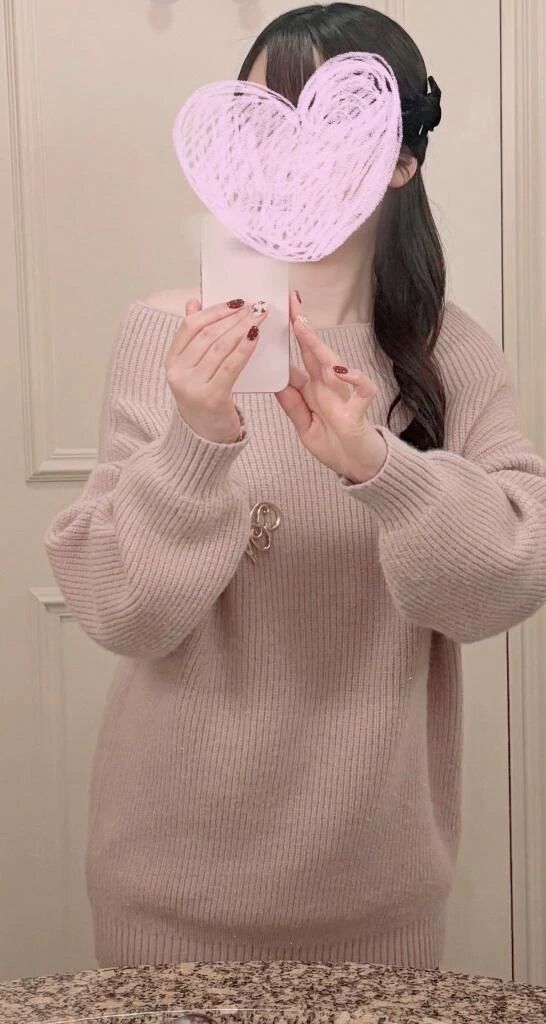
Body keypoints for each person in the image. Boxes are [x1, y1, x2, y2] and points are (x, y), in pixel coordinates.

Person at [45, 3, 546, 971]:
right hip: (168, 885)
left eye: (329, 125)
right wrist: (196, 441)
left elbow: (507, 583)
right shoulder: (170, 337)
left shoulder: (449, 352)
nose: (288, 154)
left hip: (379, 891)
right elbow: (119, 610)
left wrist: (381, 468)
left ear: (403, 159)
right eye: (263, 121)